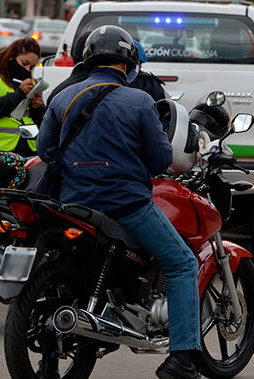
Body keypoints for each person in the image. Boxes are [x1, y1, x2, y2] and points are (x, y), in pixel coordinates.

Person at [38, 26, 201, 379]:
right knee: (183, 264)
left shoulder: (62, 98)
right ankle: (183, 360)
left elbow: (44, 151)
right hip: (127, 206)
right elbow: (160, 161)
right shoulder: (140, 100)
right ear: (128, 62)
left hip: (72, 205)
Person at [47, 33, 166, 106]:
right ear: (125, 64)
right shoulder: (141, 101)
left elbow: (45, 144)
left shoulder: (59, 96)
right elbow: (158, 144)